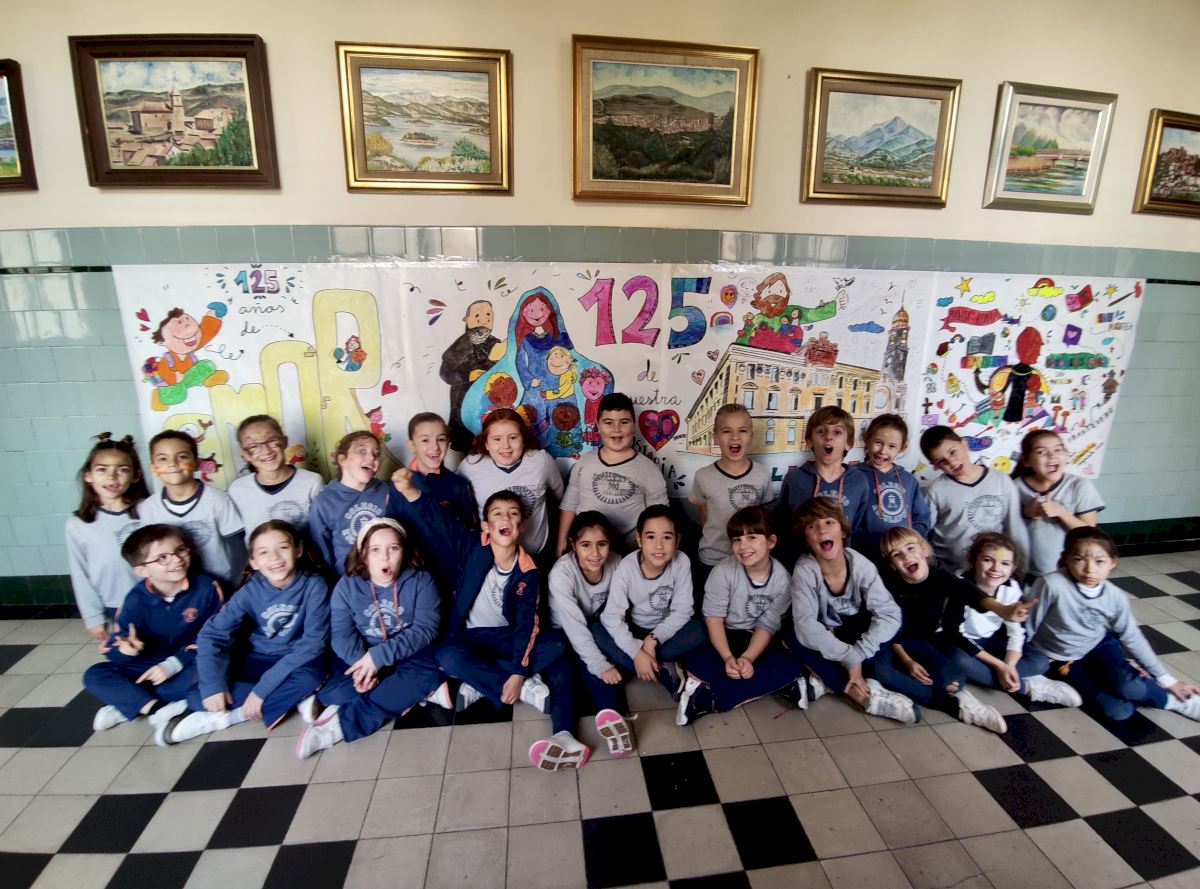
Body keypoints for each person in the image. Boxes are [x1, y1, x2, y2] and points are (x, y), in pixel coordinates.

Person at [392, 468, 590, 770]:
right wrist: (409, 490)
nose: (505, 519)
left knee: (559, 647)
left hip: (506, 639)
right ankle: (513, 686)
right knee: (447, 656)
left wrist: (518, 671)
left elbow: (527, 625)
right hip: (471, 638)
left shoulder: (529, 571)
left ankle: (563, 733)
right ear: (486, 525)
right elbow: (437, 520)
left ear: (522, 525)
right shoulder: (472, 545)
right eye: (497, 514)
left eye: (513, 514)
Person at [155, 520, 330, 744]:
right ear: (253, 561)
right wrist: (213, 687)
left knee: (312, 677)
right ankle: (291, 699)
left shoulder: (314, 585)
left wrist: (261, 691)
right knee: (198, 695)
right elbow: (211, 634)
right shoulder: (250, 590)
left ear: (299, 550)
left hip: (297, 661)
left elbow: (312, 645)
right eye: (264, 552)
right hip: (259, 658)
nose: (275, 558)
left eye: (283, 547)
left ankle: (229, 717)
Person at [296, 518, 447, 757]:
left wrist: (379, 658)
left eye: (393, 548)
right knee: (337, 690)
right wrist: (364, 667)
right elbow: (342, 635)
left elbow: (425, 630)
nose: (384, 557)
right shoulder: (346, 587)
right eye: (375, 550)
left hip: (410, 652)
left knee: (429, 671)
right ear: (363, 555)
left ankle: (336, 727)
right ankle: (406, 695)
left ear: (404, 552)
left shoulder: (421, 580)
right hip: (364, 654)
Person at [1025, 527, 1200, 722]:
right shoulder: (1051, 584)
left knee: (1132, 687)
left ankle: (1177, 701)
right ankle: (1128, 679)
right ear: (1067, 559)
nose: (1089, 569)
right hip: (1062, 658)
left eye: (1099, 561)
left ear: (1112, 562)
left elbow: (1132, 637)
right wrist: (1033, 659)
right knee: (1118, 711)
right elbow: (1027, 625)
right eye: (1079, 559)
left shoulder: (1115, 596)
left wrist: (1168, 681)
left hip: (1098, 646)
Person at [785, 498, 916, 724]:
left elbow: (890, 614)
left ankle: (834, 678)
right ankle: (857, 693)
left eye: (829, 522)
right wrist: (849, 658)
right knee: (791, 634)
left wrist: (857, 654)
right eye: (812, 526)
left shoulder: (860, 564)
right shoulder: (805, 570)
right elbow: (806, 626)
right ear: (807, 540)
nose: (821, 530)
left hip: (854, 635)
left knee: (892, 624)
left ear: (843, 531)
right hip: (827, 638)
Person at [83, 524, 223, 732]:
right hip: (148, 663)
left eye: (180, 550)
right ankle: (156, 708)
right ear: (142, 570)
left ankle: (128, 704)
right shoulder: (134, 600)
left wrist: (172, 665)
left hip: (188, 660)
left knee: (212, 672)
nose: (176, 560)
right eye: (162, 558)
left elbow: (215, 636)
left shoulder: (206, 588)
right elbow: (117, 645)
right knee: (94, 675)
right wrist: (124, 650)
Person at [876, 528, 1013, 733]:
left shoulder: (942, 578)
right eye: (897, 554)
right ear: (892, 565)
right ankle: (951, 705)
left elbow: (968, 593)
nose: (906, 556)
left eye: (911, 548)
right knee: (881, 670)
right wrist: (907, 661)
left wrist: (1002, 609)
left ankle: (905, 687)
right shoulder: (888, 586)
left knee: (954, 682)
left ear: (923, 551)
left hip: (921, 643)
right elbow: (888, 630)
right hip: (893, 644)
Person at [675, 506, 802, 726]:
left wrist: (748, 658)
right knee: (697, 658)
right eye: (737, 540)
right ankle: (775, 686)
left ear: (771, 542)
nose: (743, 547)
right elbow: (714, 619)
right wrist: (727, 658)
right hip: (721, 634)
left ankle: (709, 699)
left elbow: (767, 625)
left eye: (752, 538)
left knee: (790, 665)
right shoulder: (723, 571)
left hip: (754, 637)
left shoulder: (783, 580)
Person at [946, 532, 1081, 706]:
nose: (996, 569)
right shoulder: (959, 585)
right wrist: (999, 666)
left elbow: (1016, 631)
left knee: (1040, 662)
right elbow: (955, 637)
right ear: (972, 560)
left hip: (992, 641)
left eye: (1005, 563)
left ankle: (986, 675)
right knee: (959, 660)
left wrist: (1009, 665)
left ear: (1013, 567)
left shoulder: (1011, 587)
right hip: (961, 644)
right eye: (987, 560)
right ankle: (1027, 687)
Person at [548, 511, 635, 758]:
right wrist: (598, 664)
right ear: (573, 544)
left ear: (610, 544)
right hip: (562, 632)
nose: (595, 553)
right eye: (586, 545)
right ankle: (562, 735)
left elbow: (618, 612)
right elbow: (574, 626)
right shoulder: (562, 572)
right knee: (566, 674)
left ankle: (614, 720)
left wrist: (602, 663)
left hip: (596, 627)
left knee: (601, 672)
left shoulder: (617, 563)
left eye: (602, 544)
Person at [595, 505, 706, 697]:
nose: (659, 546)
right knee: (597, 630)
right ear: (639, 540)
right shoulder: (627, 567)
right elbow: (612, 616)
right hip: (635, 628)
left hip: (666, 632)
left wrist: (653, 640)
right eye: (651, 537)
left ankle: (638, 665)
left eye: (667, 537)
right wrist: (637, 652)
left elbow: (683, 611)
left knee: (700, 629)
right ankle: (658, 667)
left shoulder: (681, 561)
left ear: (677, 540)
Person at [557, 393, 668, 554]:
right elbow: (570, 504)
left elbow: (659, 517)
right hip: (588, 552)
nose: (616, 429)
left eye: (624, 422)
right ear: (598, 425)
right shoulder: (584, 463)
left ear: (634, 426)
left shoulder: (649, 469)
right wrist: (562, 539)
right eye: (608, 422)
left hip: (630, 551)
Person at [66, 432, 151, 641]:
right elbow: (80, 573)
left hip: (155, 599)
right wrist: (93, 617)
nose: (112, 477)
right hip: (114, 604)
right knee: (127, 651)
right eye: (102, 469)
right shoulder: (78, 524)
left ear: (136, 476)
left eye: (122, 470)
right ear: (88, 475)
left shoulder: (149, 511)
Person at [138, 429, 244, 586]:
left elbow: (238, 550)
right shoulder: (149, 508)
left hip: (219, 585)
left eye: (182, 456)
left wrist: (235, 586)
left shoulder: (217, 500)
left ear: (196, 463)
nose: (172, 463)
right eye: (163, 459)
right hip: (173, 589)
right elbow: (148, 556)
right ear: (153, 467)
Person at [919, 425, 1030, 576]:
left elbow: (1015, 527)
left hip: (993, 572)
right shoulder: (935, 490)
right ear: (935, 466)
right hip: (951, 572)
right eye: (942, 461)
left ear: (965, 444)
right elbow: (922, 535)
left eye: (953, 452)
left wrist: (1021, 570)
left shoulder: (1001, 481)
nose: (952, 462)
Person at [457, 408, 563, 557]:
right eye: (497, 439)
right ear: (486, 443)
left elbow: (560, 498)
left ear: (523, 439)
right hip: (491, 556)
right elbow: (457, 504)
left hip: (538, 554)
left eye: (513, 437)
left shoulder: (541, 461)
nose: (506, 445)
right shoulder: (470, 466)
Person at [687, 403, 773, 582]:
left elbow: (765, 519)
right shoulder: (703, 476)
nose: (735, 437)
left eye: (742, 430)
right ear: (716, 437)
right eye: (726, 431)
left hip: (752, 558)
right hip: (713, 558)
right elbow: (704, 516)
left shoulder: (763, 474)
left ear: (751, 436)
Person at [776, 405, 869, 566]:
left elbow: (857, 527)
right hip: (801, 565)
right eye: (821, 431)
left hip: (841, 567)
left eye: (837, 432)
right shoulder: (795, 479)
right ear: (809, 441)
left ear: (848, 443)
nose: (828, 437)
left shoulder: (859, 481)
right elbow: (784, 526)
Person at [1013, 429, 1105, 576]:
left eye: (1057, 450)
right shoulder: (1014, 486)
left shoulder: (1079, 486)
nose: (1052, 456)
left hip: (1065, 571)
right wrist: (1026, 512)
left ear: (1066, 455)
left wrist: (1061, 513)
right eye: (1041, 452)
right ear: (1026, 461)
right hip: (1021, 569)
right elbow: (1004, 526)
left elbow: (1090, 534)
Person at [228, 414, 325, 544]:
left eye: (271, 441)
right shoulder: (238, 490)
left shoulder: (312, 482)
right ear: (245, 455)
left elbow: (322, 532)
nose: (266, 451)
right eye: (254, 447)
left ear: (285, 441)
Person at [308, 430, 392, 573]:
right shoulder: (324, 502)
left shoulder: (386, 491)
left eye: (376, 454)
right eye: (362, 451)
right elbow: (322, 550)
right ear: (343, 460)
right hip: (348, 579)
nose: (372, 457)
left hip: (386, 574)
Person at [852, 413, 931, 561]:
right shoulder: (853, 476)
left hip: (904, 559)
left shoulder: (909, 480)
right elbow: (847, 520)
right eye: (878, 442)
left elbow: (921, 519)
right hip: (866, 556)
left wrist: (910, 542)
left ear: (902, 448)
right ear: (867, 439)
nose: (883, 450)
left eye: (892, 446)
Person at [439, 299, 503, 453]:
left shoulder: (496, 343)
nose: (484, 319)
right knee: (466, 442)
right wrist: (467, 375)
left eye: (488, 315)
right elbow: (445, 372)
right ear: (467, 320)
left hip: (488, 400)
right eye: (477, 315)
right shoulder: (460, 346)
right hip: (463, 402)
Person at [405, 412, 476, 529]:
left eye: (441, 439)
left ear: (448, 443)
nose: (435, 447)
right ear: (411, 445)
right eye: (425, 440)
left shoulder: (458, 485)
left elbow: (469, 531)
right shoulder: (400, 484)